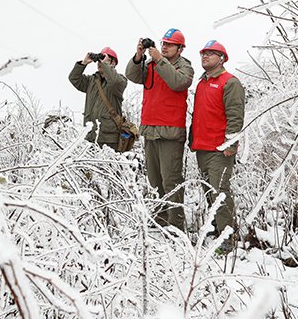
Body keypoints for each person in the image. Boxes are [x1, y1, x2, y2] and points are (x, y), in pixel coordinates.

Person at [125, 28, 193, 231]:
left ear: (180, 49)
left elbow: (178, 83)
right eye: (163, 43)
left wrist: (159, 60)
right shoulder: (151, 64)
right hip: (151, 131)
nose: (164, 47)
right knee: (154, 180)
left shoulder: (185, 67)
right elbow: (132, 75)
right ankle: (160, 221)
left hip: (171, 133)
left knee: (171, 179)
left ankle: (176, 226)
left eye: (170, 44)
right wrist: (139, 56)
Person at [190, 40, 245, 245]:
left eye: (211, 53)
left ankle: (229, 238)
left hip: (220, 150)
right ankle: (218, 229)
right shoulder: (202, 83)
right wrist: (192, 139)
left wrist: (231, 144)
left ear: (222, 59)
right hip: (202, 147)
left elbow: (235, 116)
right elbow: (198, 115)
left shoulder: (230, 82)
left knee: (220, 191)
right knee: (209, 192)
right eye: (203, 53)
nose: (205, 56)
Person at [68, 47, 127, 149]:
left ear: (113, 63)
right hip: (90, 136)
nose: (100, 62)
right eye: (99, 60)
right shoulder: (91, 81)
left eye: (104, 59)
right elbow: (74, 78)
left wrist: (106, 65)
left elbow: (114, 81)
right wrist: (84, 63)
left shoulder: (120, 81)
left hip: (109, 138)